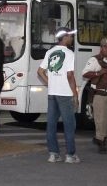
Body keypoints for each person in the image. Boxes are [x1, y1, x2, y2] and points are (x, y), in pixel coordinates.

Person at [37, 27, 80, 164]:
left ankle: (53, 154)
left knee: (51, 124)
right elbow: (70, 75)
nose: (72, 38)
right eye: (70, 36)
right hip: (65, 94)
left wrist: (51, 83)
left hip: (52, 94)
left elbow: (40, 71)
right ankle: (70, 155)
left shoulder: (50, 52)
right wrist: (75, 94)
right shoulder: (69, 53)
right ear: (65, 37)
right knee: (69, 125)